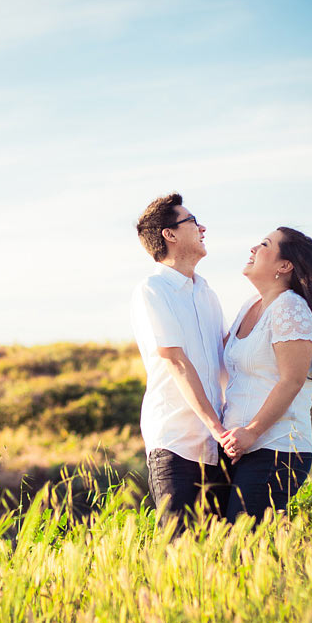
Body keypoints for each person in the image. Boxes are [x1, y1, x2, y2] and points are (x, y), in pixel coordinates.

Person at [218, 227, 312, 521]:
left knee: (242, 545)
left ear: (285, 266)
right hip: (239, 447)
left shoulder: (290, 306)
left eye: (264, 244)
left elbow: (292, 380)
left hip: (277, 449)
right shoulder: (250, 305)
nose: (253, 248)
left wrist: (252, 432)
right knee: (230, 548)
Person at [130, 193, 231, 535]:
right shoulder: (152, 289)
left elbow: (227, 360)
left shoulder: (207, 293)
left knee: (220, 556)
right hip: (175, 445)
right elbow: (175, 360)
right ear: (169, 234)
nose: (202, 227)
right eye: (192, 221)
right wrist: (217, 427)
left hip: (218, 448)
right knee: (179, 555)